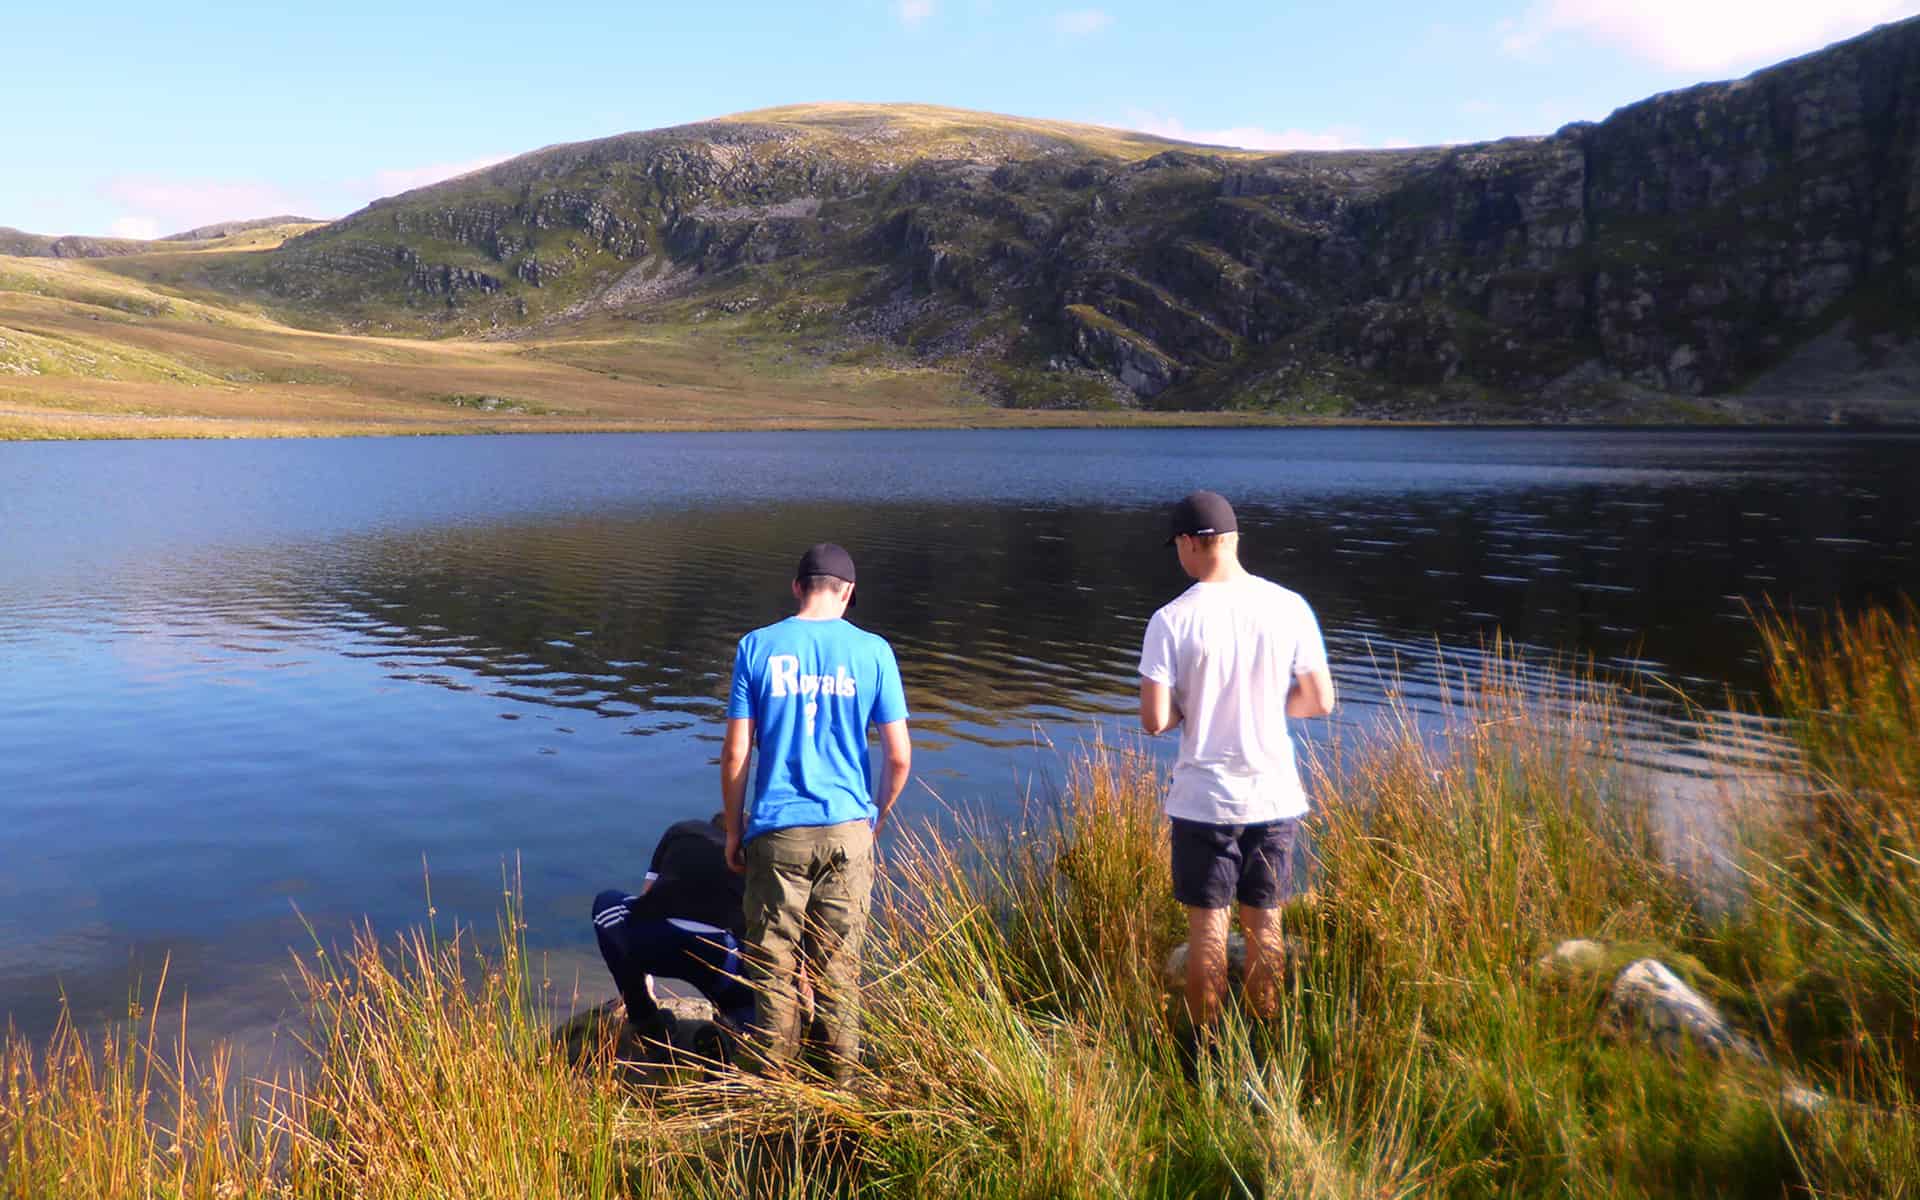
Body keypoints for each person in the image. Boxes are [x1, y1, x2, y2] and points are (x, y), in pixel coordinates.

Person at [1137, 490, 1337, 1029]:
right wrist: (1268, 703)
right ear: (1232, 540)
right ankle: (1264, 1039)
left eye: (1178, 547)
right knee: (1265, 927)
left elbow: (1154, 719)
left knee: (1207, 932)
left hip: (1204, 802)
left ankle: (1205, 1051)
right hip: (1274, 798)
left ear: (1189, 543)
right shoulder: (1289, 606)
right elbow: (1320, 699)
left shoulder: (1171, 619)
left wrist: (1190, 708)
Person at [721, 542, 911, 1082]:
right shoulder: (874, 651)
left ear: (797, 587)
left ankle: (776, 1087)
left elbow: (736, 754)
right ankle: (841, 1091)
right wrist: (875, 818)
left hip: (778, 834)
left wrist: (734, 830)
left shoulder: (756, 647)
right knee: (838, 971)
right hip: (848, 830)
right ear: (847, 593)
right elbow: (899, 756)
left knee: (773, 968)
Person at [591, 814, 756, 1046]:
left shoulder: (684, 830)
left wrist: (636, 970)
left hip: (658, 939)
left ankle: (643, 1017)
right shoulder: (755, 858)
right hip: (719, 954)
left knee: (606, 904)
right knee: (744, 1000)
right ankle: (735, 1033)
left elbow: (647, 894)